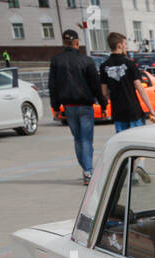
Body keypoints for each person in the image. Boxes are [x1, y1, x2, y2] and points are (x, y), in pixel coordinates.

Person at [48, 29, 101, 184]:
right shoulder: (86, 60)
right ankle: (88, 171)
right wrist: (103, 103)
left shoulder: (56, 60)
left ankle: (85, 168)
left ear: (64, 43)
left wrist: (56, 107)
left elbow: (53, 86)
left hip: (68, 105)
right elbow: (95, 84)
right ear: (77, 42)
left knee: (77, 139)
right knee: (86, 139)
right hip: (85, 104)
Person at [100, 33, 155, 134]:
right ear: (119, 45)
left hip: (118, 112)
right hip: (133, 111)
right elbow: (140, 88)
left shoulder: (104, 66)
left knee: (124, 144)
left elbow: (104, 92)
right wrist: (151, 110)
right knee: (137, 142)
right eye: (125, 44)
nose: (126, 47)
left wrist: (113, 98)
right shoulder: (129, 64)